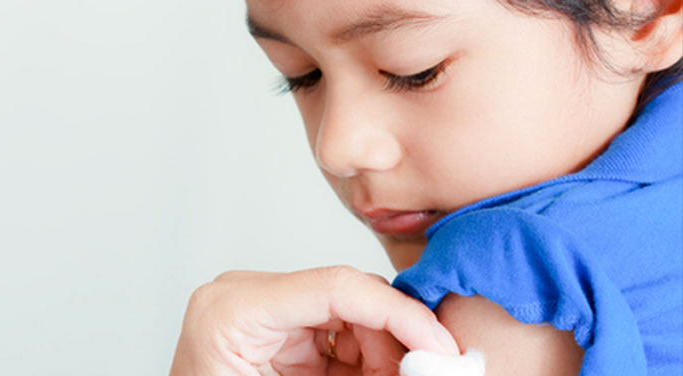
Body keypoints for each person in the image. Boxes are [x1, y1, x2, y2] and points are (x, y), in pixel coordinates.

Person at [170, 0, 683, 374]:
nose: (336, 148)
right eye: (302, 76)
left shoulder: (507, 290)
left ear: (645, 13)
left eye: (414, 71)